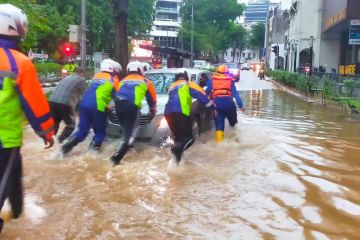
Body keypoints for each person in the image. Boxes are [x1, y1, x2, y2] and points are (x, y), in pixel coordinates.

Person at [0, 4, 54, 233]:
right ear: (18, 28)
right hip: (4, 138)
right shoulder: (19, 62)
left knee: (14, 172)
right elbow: (34, 104)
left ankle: (18, 210)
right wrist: (47, 131)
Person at [61, 59, 120, 154]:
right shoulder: (113, 80)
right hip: (98, 107)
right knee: (100, 132)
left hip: (83, 105)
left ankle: (65, 149)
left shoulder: (95, 77)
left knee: (82, 132)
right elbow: (117, 99)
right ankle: (92, 155)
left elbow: (96, 93)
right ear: (112, 68)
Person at [110, 62, 157, 166]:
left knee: (127, 129)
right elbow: (152, 99)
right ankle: (115, 159)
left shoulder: (122, 81)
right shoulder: (145, 81)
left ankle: (128, 147)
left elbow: (116, 93)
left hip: (118, 106)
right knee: (130, 134)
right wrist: (152, 110)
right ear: (141, 70)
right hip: (131, 107)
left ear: (128, 70)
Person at [165, 72, 215, 163]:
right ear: (186, 78)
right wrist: (213, 107)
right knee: (189, 138)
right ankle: (176, 151)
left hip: (168, 114)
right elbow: (202, 96)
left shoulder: (171, 87)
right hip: (180, 112)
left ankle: (177, 162)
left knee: (179, 139)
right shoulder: (187, 84)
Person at [206, 64, 245, 142]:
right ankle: (235, 140)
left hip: (217, 104)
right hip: (229, 104)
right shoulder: (230, 80)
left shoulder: (212, 80)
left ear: (217, 72)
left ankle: (219, 145)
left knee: (219, 125)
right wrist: (241, 106)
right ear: (227, 73)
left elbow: (206, 92)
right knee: (232, 123)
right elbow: (235, 95)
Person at [49, 67, 86, 143]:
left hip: (52, 101)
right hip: (64, 103)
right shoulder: (81, 80)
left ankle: (50, 142)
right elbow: (84, 96)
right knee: (71, 125)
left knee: (55, 123)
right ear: (81, 73)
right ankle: (59, 142)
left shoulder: (67, 77)